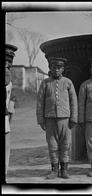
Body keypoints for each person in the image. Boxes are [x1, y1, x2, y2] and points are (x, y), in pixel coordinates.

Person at [36, 57, 78, 179]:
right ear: (50, 68)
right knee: (52, 145)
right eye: (54, 67)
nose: (56, 70)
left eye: (59, 68)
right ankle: (54, 170)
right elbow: (40, 103)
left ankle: (64, 170)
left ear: (63, 69)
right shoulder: (45, 83)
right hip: (50, 120)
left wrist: (73, 118)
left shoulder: (68, 82)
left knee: (65, 145)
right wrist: (41, 120)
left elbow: (73, 101)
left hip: (65, 120)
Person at [5, 44, 18, 177]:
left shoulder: (9, 81)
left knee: (6, 148)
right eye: (5, 61)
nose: (7, 64)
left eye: (9, 62)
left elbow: (11, 100)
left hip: (5, 120)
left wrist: (9, 118)